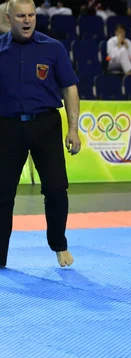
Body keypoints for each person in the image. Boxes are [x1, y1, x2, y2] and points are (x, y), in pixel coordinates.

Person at [0, 0, 81, 268]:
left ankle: (59, 245)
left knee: (57, 189)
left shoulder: (53, 48)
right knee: (2, 194)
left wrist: (73, 128)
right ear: (9, 17)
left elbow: (69, 88)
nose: (27, 20)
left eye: (31, 15)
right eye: (21, 15)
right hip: (7, 127)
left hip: (46, 125)